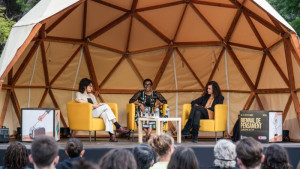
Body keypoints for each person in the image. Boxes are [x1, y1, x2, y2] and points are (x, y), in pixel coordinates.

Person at [76, 78, 129, 142]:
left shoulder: (91, 96)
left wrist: (97, 105)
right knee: (106, 106)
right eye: (90, 86)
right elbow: (79, 100)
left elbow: (95, 103)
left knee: (106, 114)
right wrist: (92, 105)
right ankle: (117, 125)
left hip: (95, 111)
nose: (91, 87)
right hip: (88, 113)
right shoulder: (79, 94)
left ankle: (111, 135)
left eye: (91, 86)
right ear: (84, 86)